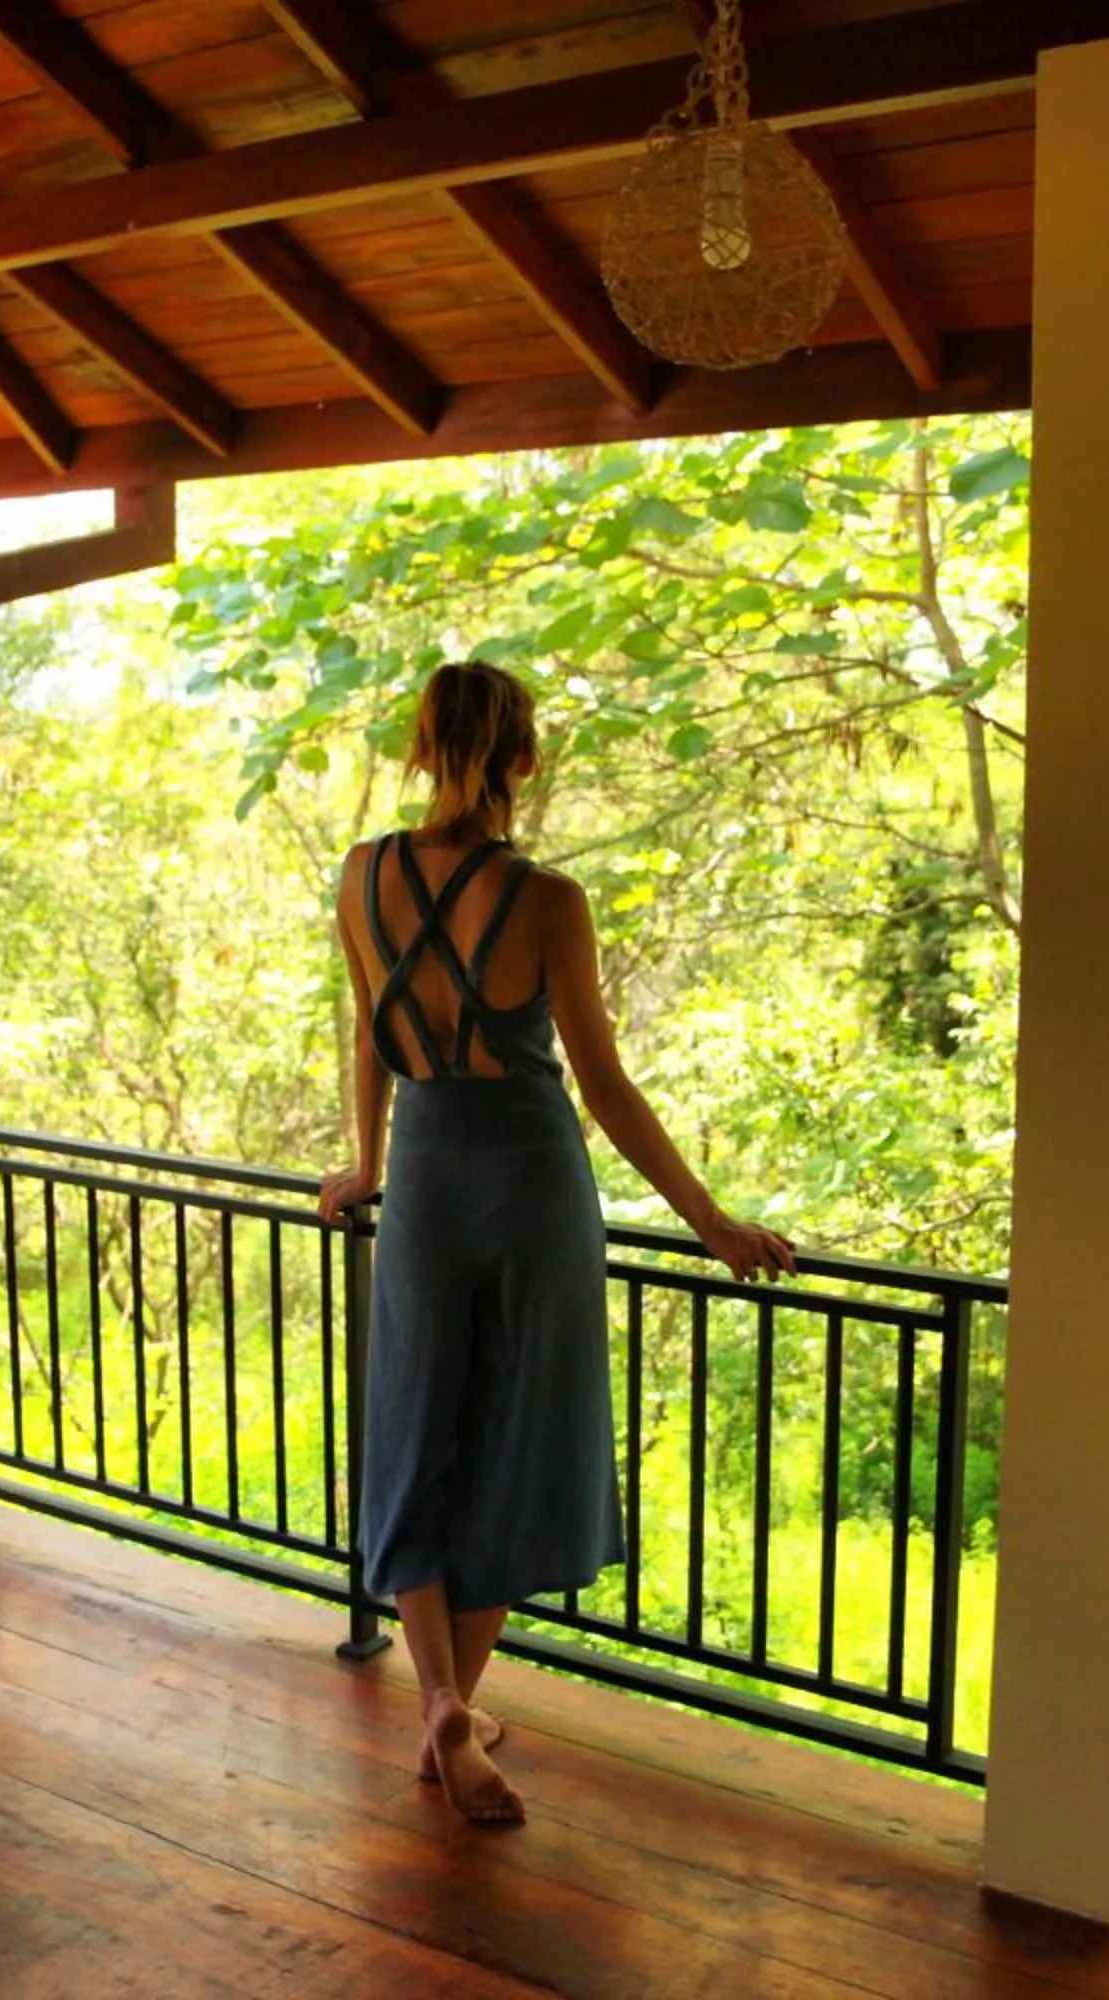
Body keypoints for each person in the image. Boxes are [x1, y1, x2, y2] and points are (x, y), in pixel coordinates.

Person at [318, 660, 795, 1825]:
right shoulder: (546, 901)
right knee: (521, 1441)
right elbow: (606, 1086)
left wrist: (369, 1164)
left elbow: (372, 1033)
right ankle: (457, 1704)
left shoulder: (363, 875)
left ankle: (440, 1700)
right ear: (524, 760)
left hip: (427, 1179)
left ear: (421, 749)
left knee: (416, 1431)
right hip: (533, 1184)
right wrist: (712, 1221)